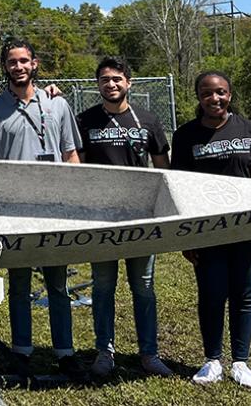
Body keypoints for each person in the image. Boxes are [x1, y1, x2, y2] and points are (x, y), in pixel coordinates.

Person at [171, 71, 251, 389]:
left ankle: (240, 362)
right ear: (199, 98)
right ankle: (212, 361)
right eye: (207, 93)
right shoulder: (185, 136)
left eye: (220, 92)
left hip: (248, 226)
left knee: (244, 294)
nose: (214, 99)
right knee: (211, 293)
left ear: (230, 95)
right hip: (208, 228)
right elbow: (179, 188)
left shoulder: (250, 130)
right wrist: (187, 233)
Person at [0, 39, 86, 380]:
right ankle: (22, 352)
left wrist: (74, 201)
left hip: (55, 208)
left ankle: (65, 352)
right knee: (19, 285)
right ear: (5, 67)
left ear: (35, 63)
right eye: (12, 62)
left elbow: (71, 154)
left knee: (58, 284)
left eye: (24, 60)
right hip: (16, 211)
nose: (19, 67)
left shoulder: (57, 104)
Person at [75, 57, 174, 378]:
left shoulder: (147, 120)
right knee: (103, 287)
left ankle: (149, 354)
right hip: (101, 219)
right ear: (98, 85)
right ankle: (105, 352)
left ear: (128, 82)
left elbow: (163, 169)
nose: (111, 84)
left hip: (139, 219)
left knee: (143, 287)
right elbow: (78, 169)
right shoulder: (85, 121)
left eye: (117, 79)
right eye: (104, 80)